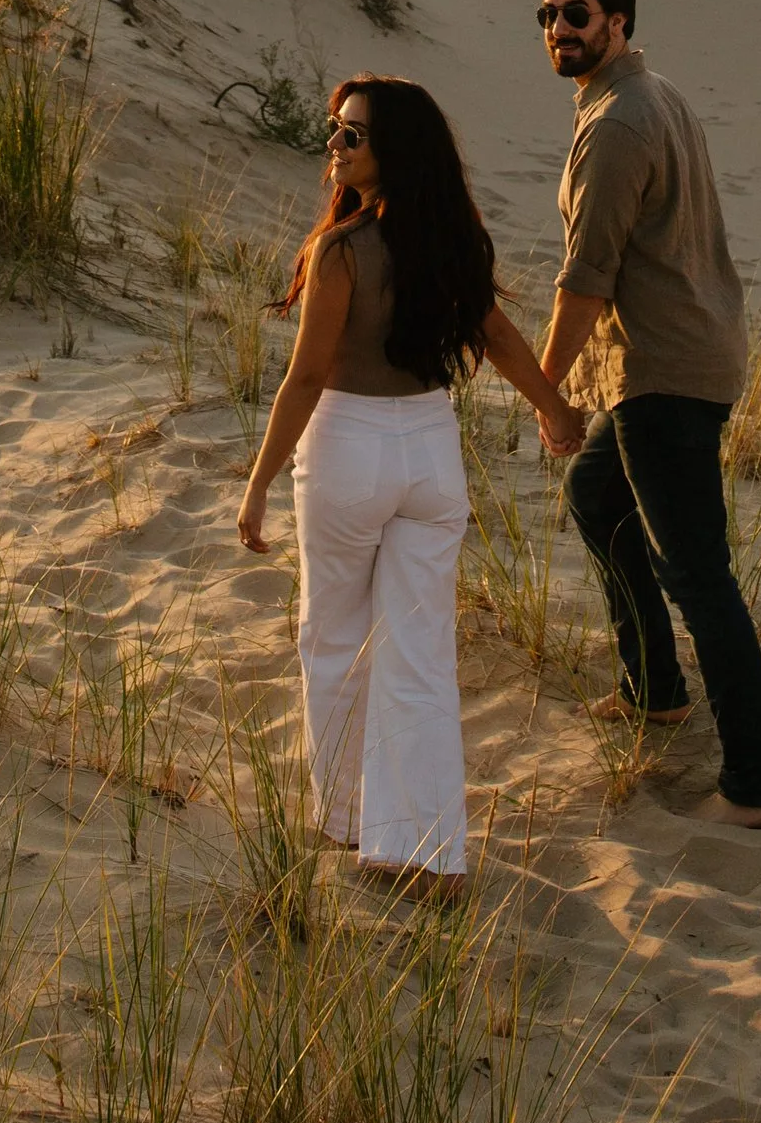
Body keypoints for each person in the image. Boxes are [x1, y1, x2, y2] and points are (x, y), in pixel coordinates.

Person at [237, 76, 580, 885]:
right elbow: (495, 334)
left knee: (334, 640)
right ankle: (427, 850)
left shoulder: (344, 251)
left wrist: (257, 484)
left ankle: (350, 821)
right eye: (336, 130)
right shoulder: (452, 241)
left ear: (393, 150)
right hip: (429, 452)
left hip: (350, 449)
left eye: (353, 135)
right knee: (418, 655)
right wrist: (554, 410)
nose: (336, 145)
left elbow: (307, 377)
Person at [533, 0, 761, 830]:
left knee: (697, 573)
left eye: (577, 15)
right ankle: (654, 689)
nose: (559, 30)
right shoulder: (649, 97)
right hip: (685, 356)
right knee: (596, 492)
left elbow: (586, 281)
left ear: (619, 23)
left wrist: (543, 388)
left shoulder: (617, 125)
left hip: (663, 371)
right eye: (549, 16)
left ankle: (757, 786)